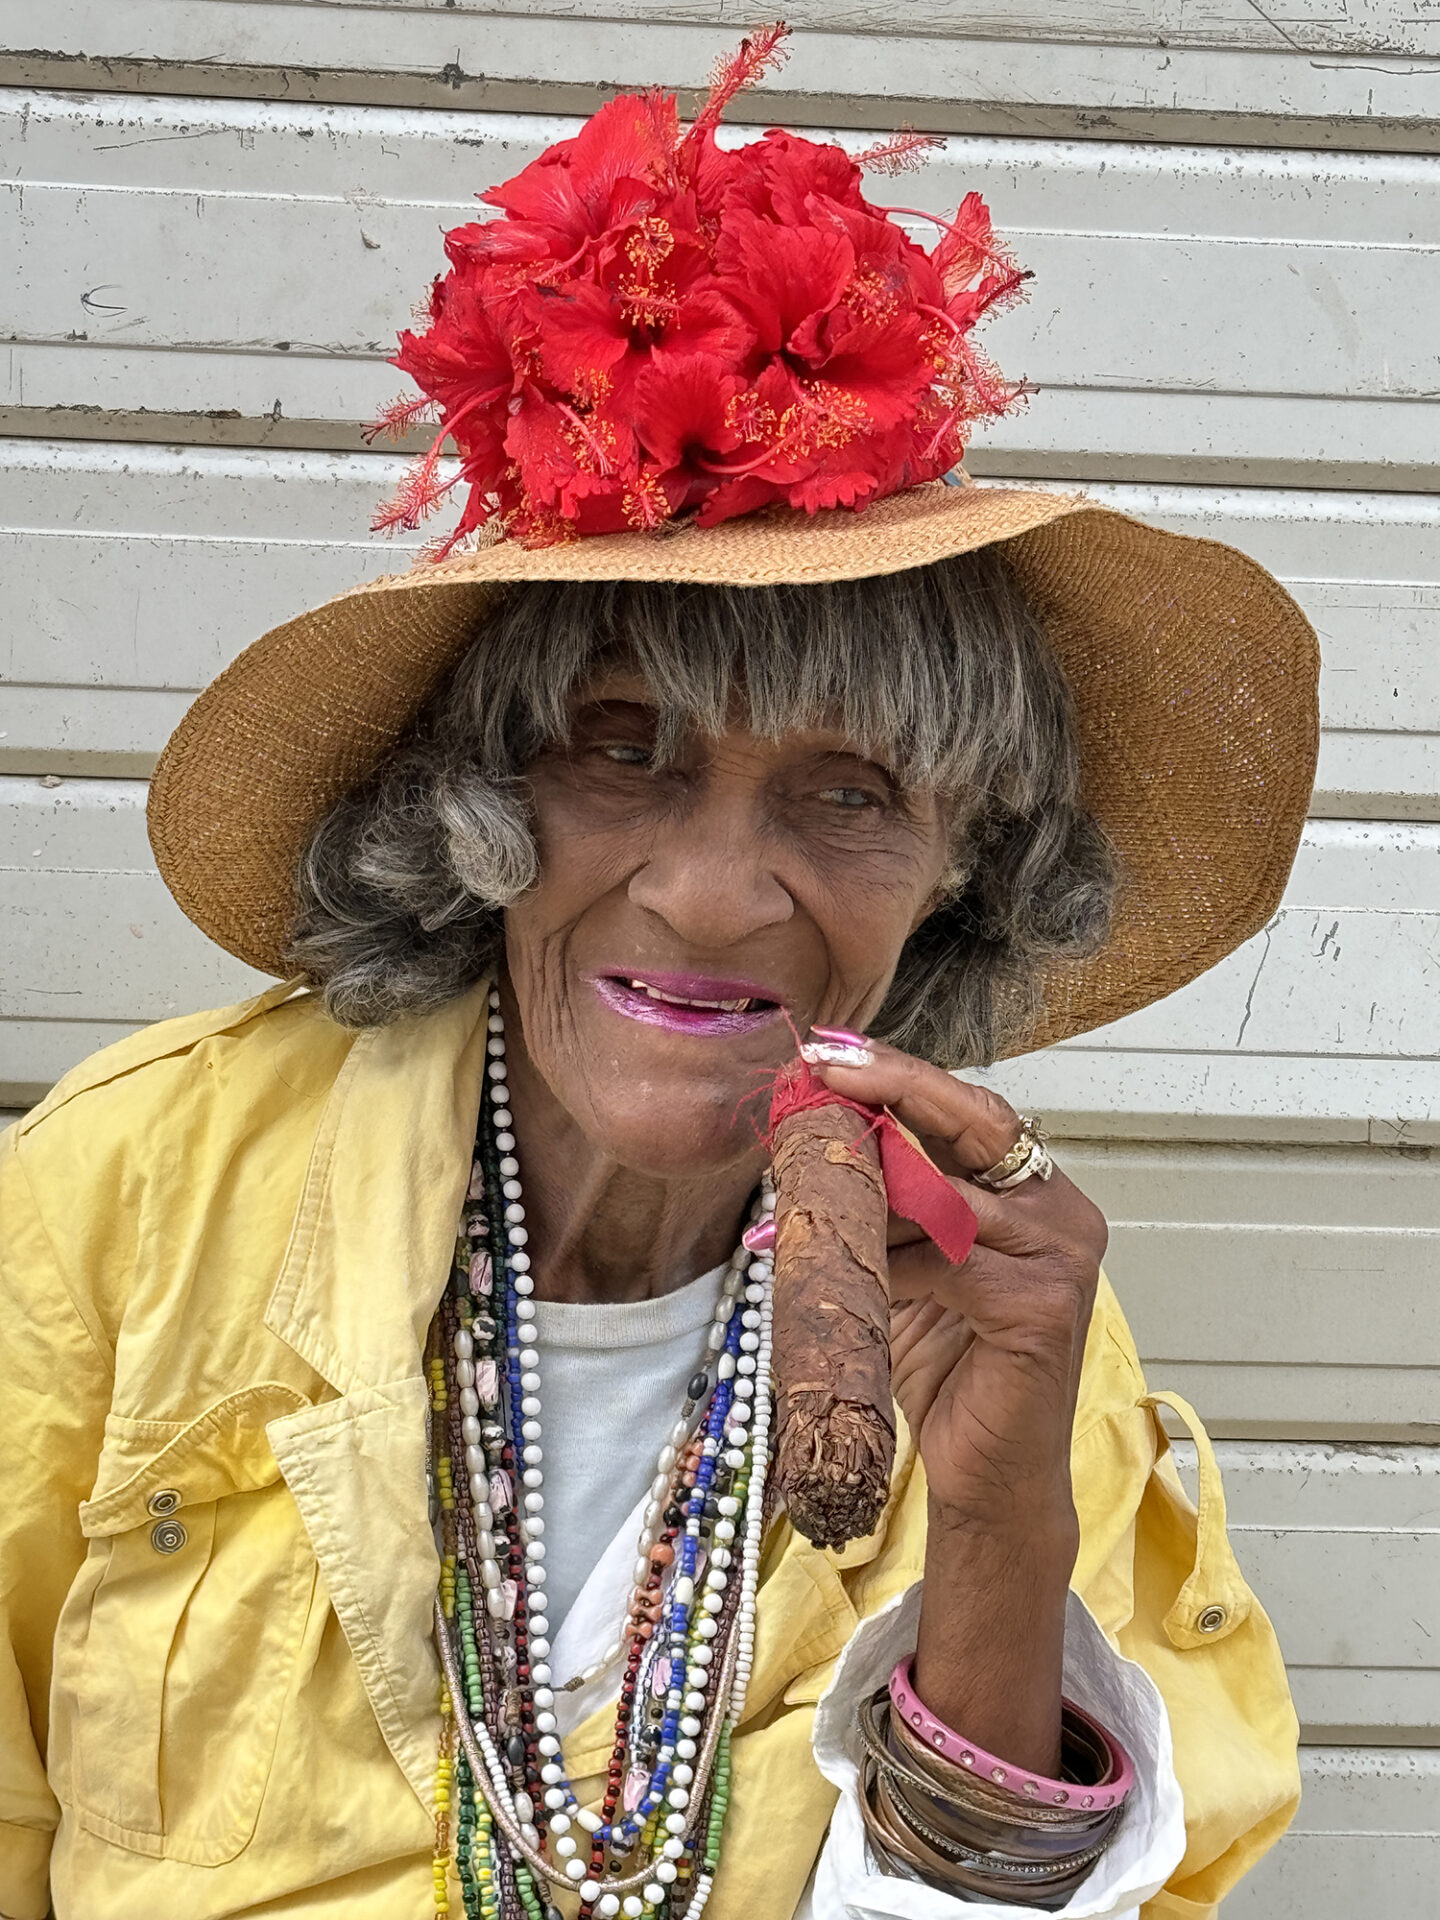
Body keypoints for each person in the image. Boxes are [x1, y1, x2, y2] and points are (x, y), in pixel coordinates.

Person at [0, 36, 1316, 1920]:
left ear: (964, 871)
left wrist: (1009, 1519)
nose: (708, 899)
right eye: (622, 749)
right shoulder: (129, 1201)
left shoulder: (1009, 1310)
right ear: (479, 794)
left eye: (847, 792)